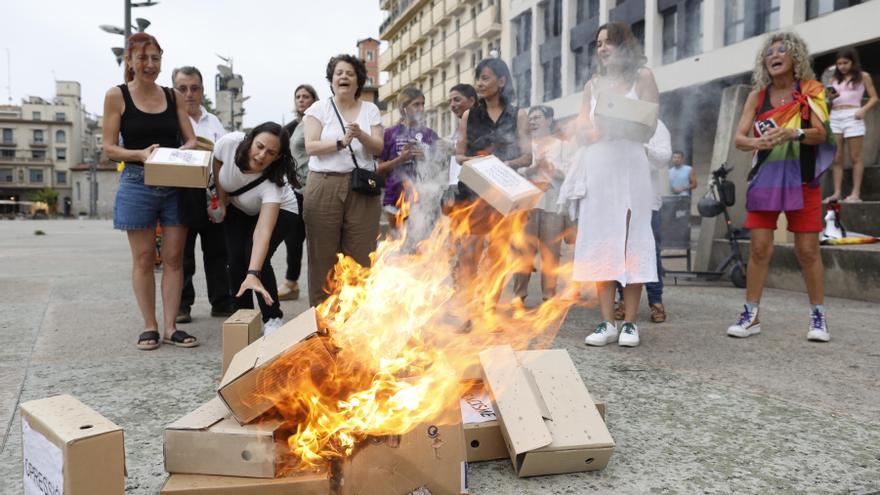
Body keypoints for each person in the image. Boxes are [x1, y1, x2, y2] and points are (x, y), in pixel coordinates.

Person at [728, 32, 834, 342]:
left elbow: (821, 134)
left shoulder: (812, 92)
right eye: (769, 52)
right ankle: (751, 314)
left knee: (808, 251)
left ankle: (818, 316)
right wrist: (757, 142)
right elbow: (739, 138)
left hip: (802, 179)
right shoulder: (756, 97)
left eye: (782, 50)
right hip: (765, 180)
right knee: (759, 249)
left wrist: (793, 134)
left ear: (795, 58)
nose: (774, 55)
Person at [558, 22, 659, 348]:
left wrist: (627, 125)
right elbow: (582, 130)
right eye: (598, 43)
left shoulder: (642, 77)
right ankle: (607, 322)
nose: (601, 48)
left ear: (624, 46)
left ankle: (630, 322)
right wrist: (598, 129)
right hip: (600, 164)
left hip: (630, 163)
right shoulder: (593, 85)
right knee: (602, 238)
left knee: (632, 238)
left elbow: (650, 125)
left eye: (608, 42)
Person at [103, 32, 198, 350]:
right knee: (144, 258)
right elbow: (109, 148)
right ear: (129, 60)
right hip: (136, 182)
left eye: (155, 58)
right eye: (142, 57)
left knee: (174, 258)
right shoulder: (117, 96)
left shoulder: (173, 96)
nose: (149, 64)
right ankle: (149, 326)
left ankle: (171, 327)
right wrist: (140, 154)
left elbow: (190, 138)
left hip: (174, 183)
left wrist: (181, 152)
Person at [303, 54, 384, 306]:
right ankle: (322, 315)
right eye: (339, 73)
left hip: (362, 187)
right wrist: (340, 143)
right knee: (322, 254)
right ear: (332, 79)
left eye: (350, 73)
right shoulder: (318, 109)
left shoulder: (370, 110)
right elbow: (311, 146)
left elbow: (378, 148)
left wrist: (360, 135)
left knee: (361, 253)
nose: (344, 77)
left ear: (358, 80)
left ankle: (356, 318)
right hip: (324, 183)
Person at [454, 58, 531, 304]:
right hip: (474, 189)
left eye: (485, 78)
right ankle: (467, 306)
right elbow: (458, 155)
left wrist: (507, 165)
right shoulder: (469, 115)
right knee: (470, 251)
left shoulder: (518, 114)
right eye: (478, 78)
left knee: (498, 252)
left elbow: (528, 157)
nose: (479, 83)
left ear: (502, 81)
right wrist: (478, 163)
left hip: (505, 192)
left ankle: (490, 307)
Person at [213, 123, 300, 336]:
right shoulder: (229, 143)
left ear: (278, 157)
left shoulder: (274, 184)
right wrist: (221, 200)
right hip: (239, 205)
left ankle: (273, 317)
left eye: (270, 152)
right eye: (259, 146)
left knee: (255, 255)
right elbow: (216, 163)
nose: (261, 155)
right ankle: (243, 317)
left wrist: (253, 273)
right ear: (250, 140)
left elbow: (263, 233)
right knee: (234, 260)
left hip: (283, 210)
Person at [172, 66, 236, 324]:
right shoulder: (169, 120)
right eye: (182, 88)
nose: (189, 94)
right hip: (180, 193)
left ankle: (221, 301)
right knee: (182, 254)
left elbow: (224, 159)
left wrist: (224, 198)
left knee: (218, 253)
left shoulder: (214, 122)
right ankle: (181, 305)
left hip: (211, 192)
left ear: (202, 90)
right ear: (174, 90)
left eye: (194, 88)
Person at [512, 105, 568, 302]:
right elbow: (513, 173)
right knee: (523, 251)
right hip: (527, 203)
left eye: (537, 117)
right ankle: (519, 296)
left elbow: (569, 174)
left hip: (552, 202)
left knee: (551, 252)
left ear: (549, 120)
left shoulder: (560, 145)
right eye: (531, 118)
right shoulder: (525, 146)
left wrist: (551, 169)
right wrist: (531, 169)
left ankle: (549, 296)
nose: (532, 121)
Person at [278, 84, 319, 301]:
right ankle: (291, 282)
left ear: (314, 100)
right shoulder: (290, 127)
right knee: (293, 239)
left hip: (316, 188)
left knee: (317, 241)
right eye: (298, 96)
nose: (301, 100)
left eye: (306, 96)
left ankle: (323, 284)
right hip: (295, 191)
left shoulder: (319, 123)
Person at [378, 87, 439, 233]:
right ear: (403, 108)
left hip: (423, 199)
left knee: (422, 246)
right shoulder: (389, 134)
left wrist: (426, 158)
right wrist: (400, 159)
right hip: (394, 198)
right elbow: (379, 168)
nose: (421, 108)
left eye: (423, 104)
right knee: (397, 243)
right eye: (416, 104)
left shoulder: (430, 135)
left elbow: (440, 168)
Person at [824, 47, 878, 203]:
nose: (842, 66)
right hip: (835, 116)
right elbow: (828, 101)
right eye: (839, 63)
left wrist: (863, 110)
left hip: (853, 115)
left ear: (853, 61)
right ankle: (837, 193)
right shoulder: (833, 79)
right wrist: (830, 97)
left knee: (855, 157)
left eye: (845, 62)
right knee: (837, 157)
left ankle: (855, 193)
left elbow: (874, 98)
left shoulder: (863, 76)